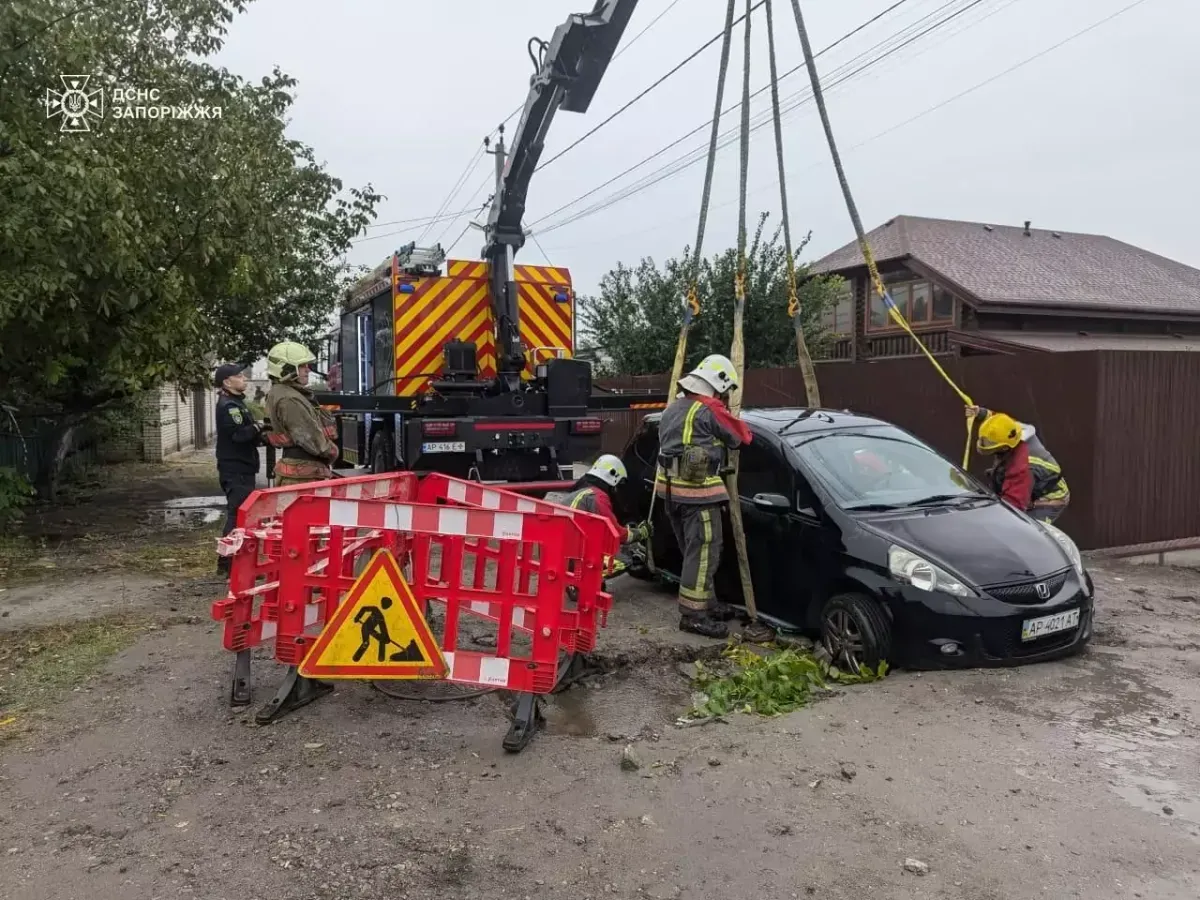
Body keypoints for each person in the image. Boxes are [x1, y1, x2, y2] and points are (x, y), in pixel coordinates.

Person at [655, 354, 752, 638]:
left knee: (693, 553)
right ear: (716, 385)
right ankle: (694, 616)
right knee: (704, 552)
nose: (724, 396)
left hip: (671, 493)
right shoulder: (708, 409)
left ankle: (706, 603)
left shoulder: (673, 408)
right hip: (699, 495)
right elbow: (742, 437)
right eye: (724, 390)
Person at [968, 405, 1069, 524]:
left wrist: (988, 522)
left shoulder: (1022, 468)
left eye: (989, 443)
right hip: (1032, 481)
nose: (984, 444)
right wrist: (982, 413)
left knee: (1028, 529)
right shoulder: (1014, 431)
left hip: (1050, 500)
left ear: (1004, 447)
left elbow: (1013, 506)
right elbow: (1000, 422)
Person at [264, 341, 339, 487]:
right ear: (287, 369)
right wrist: (333, 451)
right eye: (302, 366)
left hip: (300, 473)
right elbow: (311, 439)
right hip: (303, 476)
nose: (308, 370)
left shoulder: (281, 392)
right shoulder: (290, 399)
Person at [214, 363, 263, 575]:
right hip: (236, 469)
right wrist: (258, 427)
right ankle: (226, 563)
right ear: (227, 382)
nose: (244, 379)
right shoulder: (229, 406)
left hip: (243, 467)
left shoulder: (236, 403)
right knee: (237, 516)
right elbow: (239, 435)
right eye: (239, 376)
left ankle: (238, 564)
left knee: (243, 516)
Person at [545, 454, 652, 550]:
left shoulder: (580, 493)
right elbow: (616, 534)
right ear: (613, 480)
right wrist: (641, 532)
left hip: (555, 553)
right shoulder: (598, 497)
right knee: (624, 559)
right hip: (572, 559)